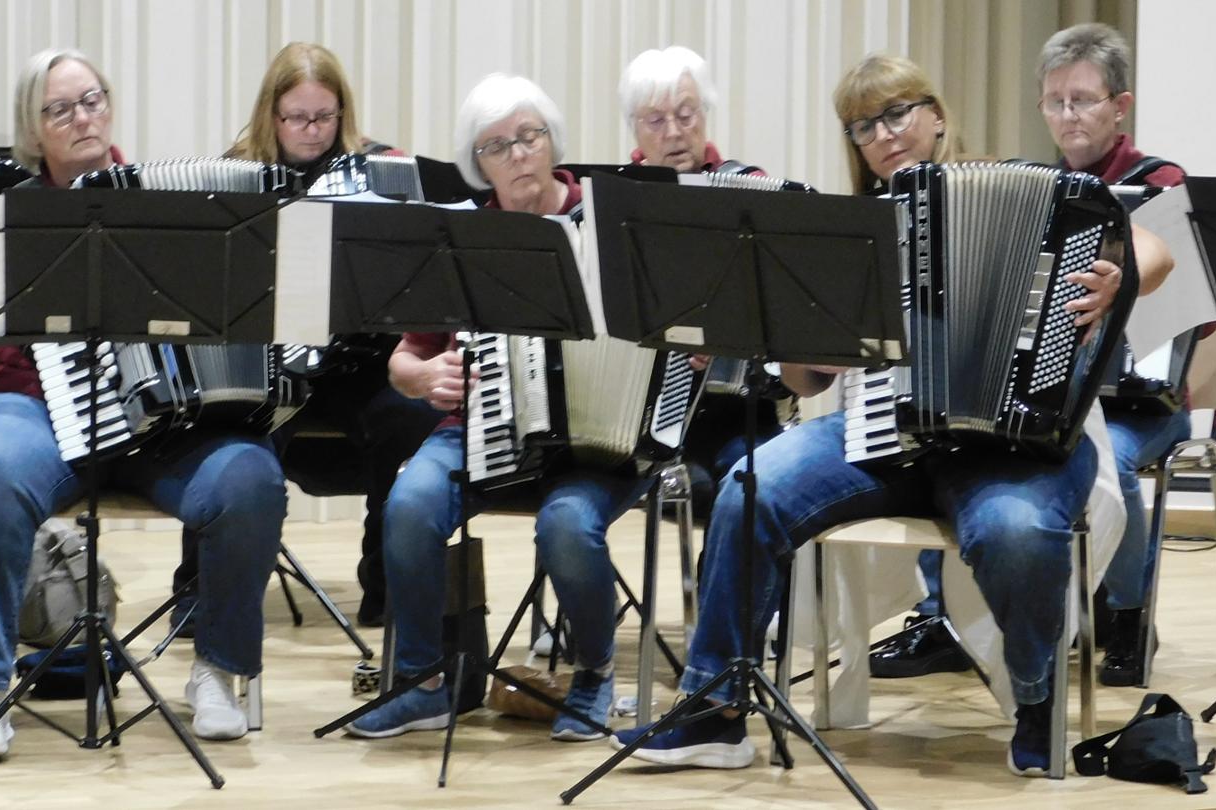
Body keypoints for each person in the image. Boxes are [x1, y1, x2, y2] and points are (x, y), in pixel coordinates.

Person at [614, 53, 1172, 777]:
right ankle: (716, 710)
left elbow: (1155, 247)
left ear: (936, 114)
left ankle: (1038, 702)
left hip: (1016, 444)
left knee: (1014, 531)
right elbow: (802, 381)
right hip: (885, 437)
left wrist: (1122, 271)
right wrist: (814, 346)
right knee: (753, 485)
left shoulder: (1037, 194)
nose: (884, 133)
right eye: (863, 125)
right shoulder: (845, 231)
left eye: (898, 112)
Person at [0, 48, 285, 762]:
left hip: (160, 421)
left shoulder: (169, 201)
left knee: (249, 476)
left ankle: (217, 671)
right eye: (60, 108)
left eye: (91, 99)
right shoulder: (7, 212)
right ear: (33, 130)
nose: (81, 117)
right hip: (32, 404)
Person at [343, 73, 642, 743]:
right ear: (477, 164)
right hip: (480, 429)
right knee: (412, 502)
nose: (515, 156)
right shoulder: (461, 236)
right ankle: (421, 682)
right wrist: (426, 378)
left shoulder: (610, 221)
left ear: (551, 142)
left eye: (527, 137)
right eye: (495, 146)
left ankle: (594, 674)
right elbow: (403, 358)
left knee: (566, 525)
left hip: (598, 438)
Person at [218, 41, 440, 629]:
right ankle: (203, 593)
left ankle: (386, 591)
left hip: (359, 362)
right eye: (297, 118)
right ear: (272, 115)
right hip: (272, 363)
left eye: (325, 117)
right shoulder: (236, 171)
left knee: (411, 419)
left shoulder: (381, 169)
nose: (312, 132)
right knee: (227, 423)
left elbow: (414, 282)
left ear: (343, 113)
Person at [1036, 22, 1191, 687]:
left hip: (1142, 404)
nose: (1068, 115)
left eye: (1083, 99)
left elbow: (1188, 305)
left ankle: (1129, 616)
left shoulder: (1162, 182)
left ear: (1119, 106)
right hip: (1055, 392)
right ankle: (960, 617)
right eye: (1055, 101)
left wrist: (1125, 274)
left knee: (1110, 456)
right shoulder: (1036, 186)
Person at [618, 45, 792, 517]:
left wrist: (730, 340)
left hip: (740, 418)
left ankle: (726, 589)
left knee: (756, 490)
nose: (674, 131)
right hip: (640, 425)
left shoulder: (748, 190)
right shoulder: (616, 205)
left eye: (686, 113)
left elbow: (790, 312)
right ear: (634, 128)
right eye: (655, 120)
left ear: (705, 115)